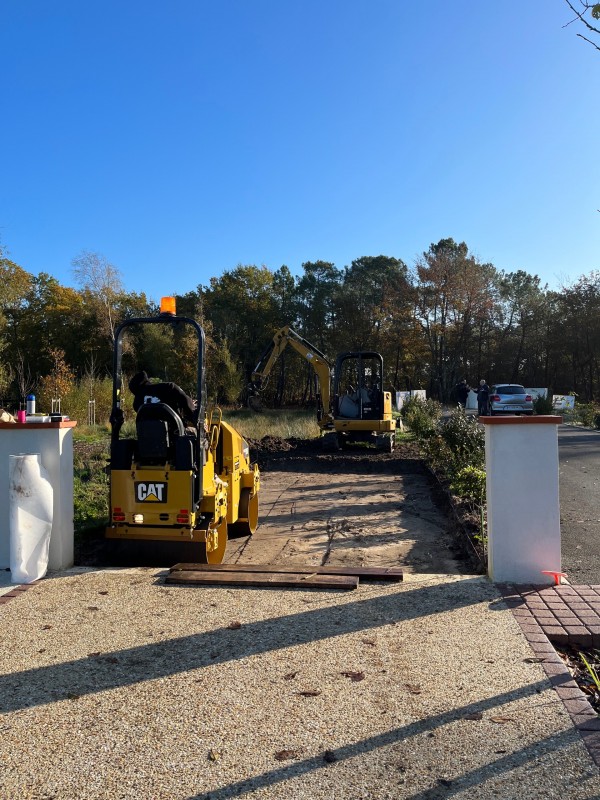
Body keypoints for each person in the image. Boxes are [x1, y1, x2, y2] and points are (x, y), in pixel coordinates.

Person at [128, 371, 198, 426]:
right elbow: (186, 402)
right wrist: (193, 417)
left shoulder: (136, 404)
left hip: (147, 439)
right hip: (175, 435)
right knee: (195, 433)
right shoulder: (170, 387)